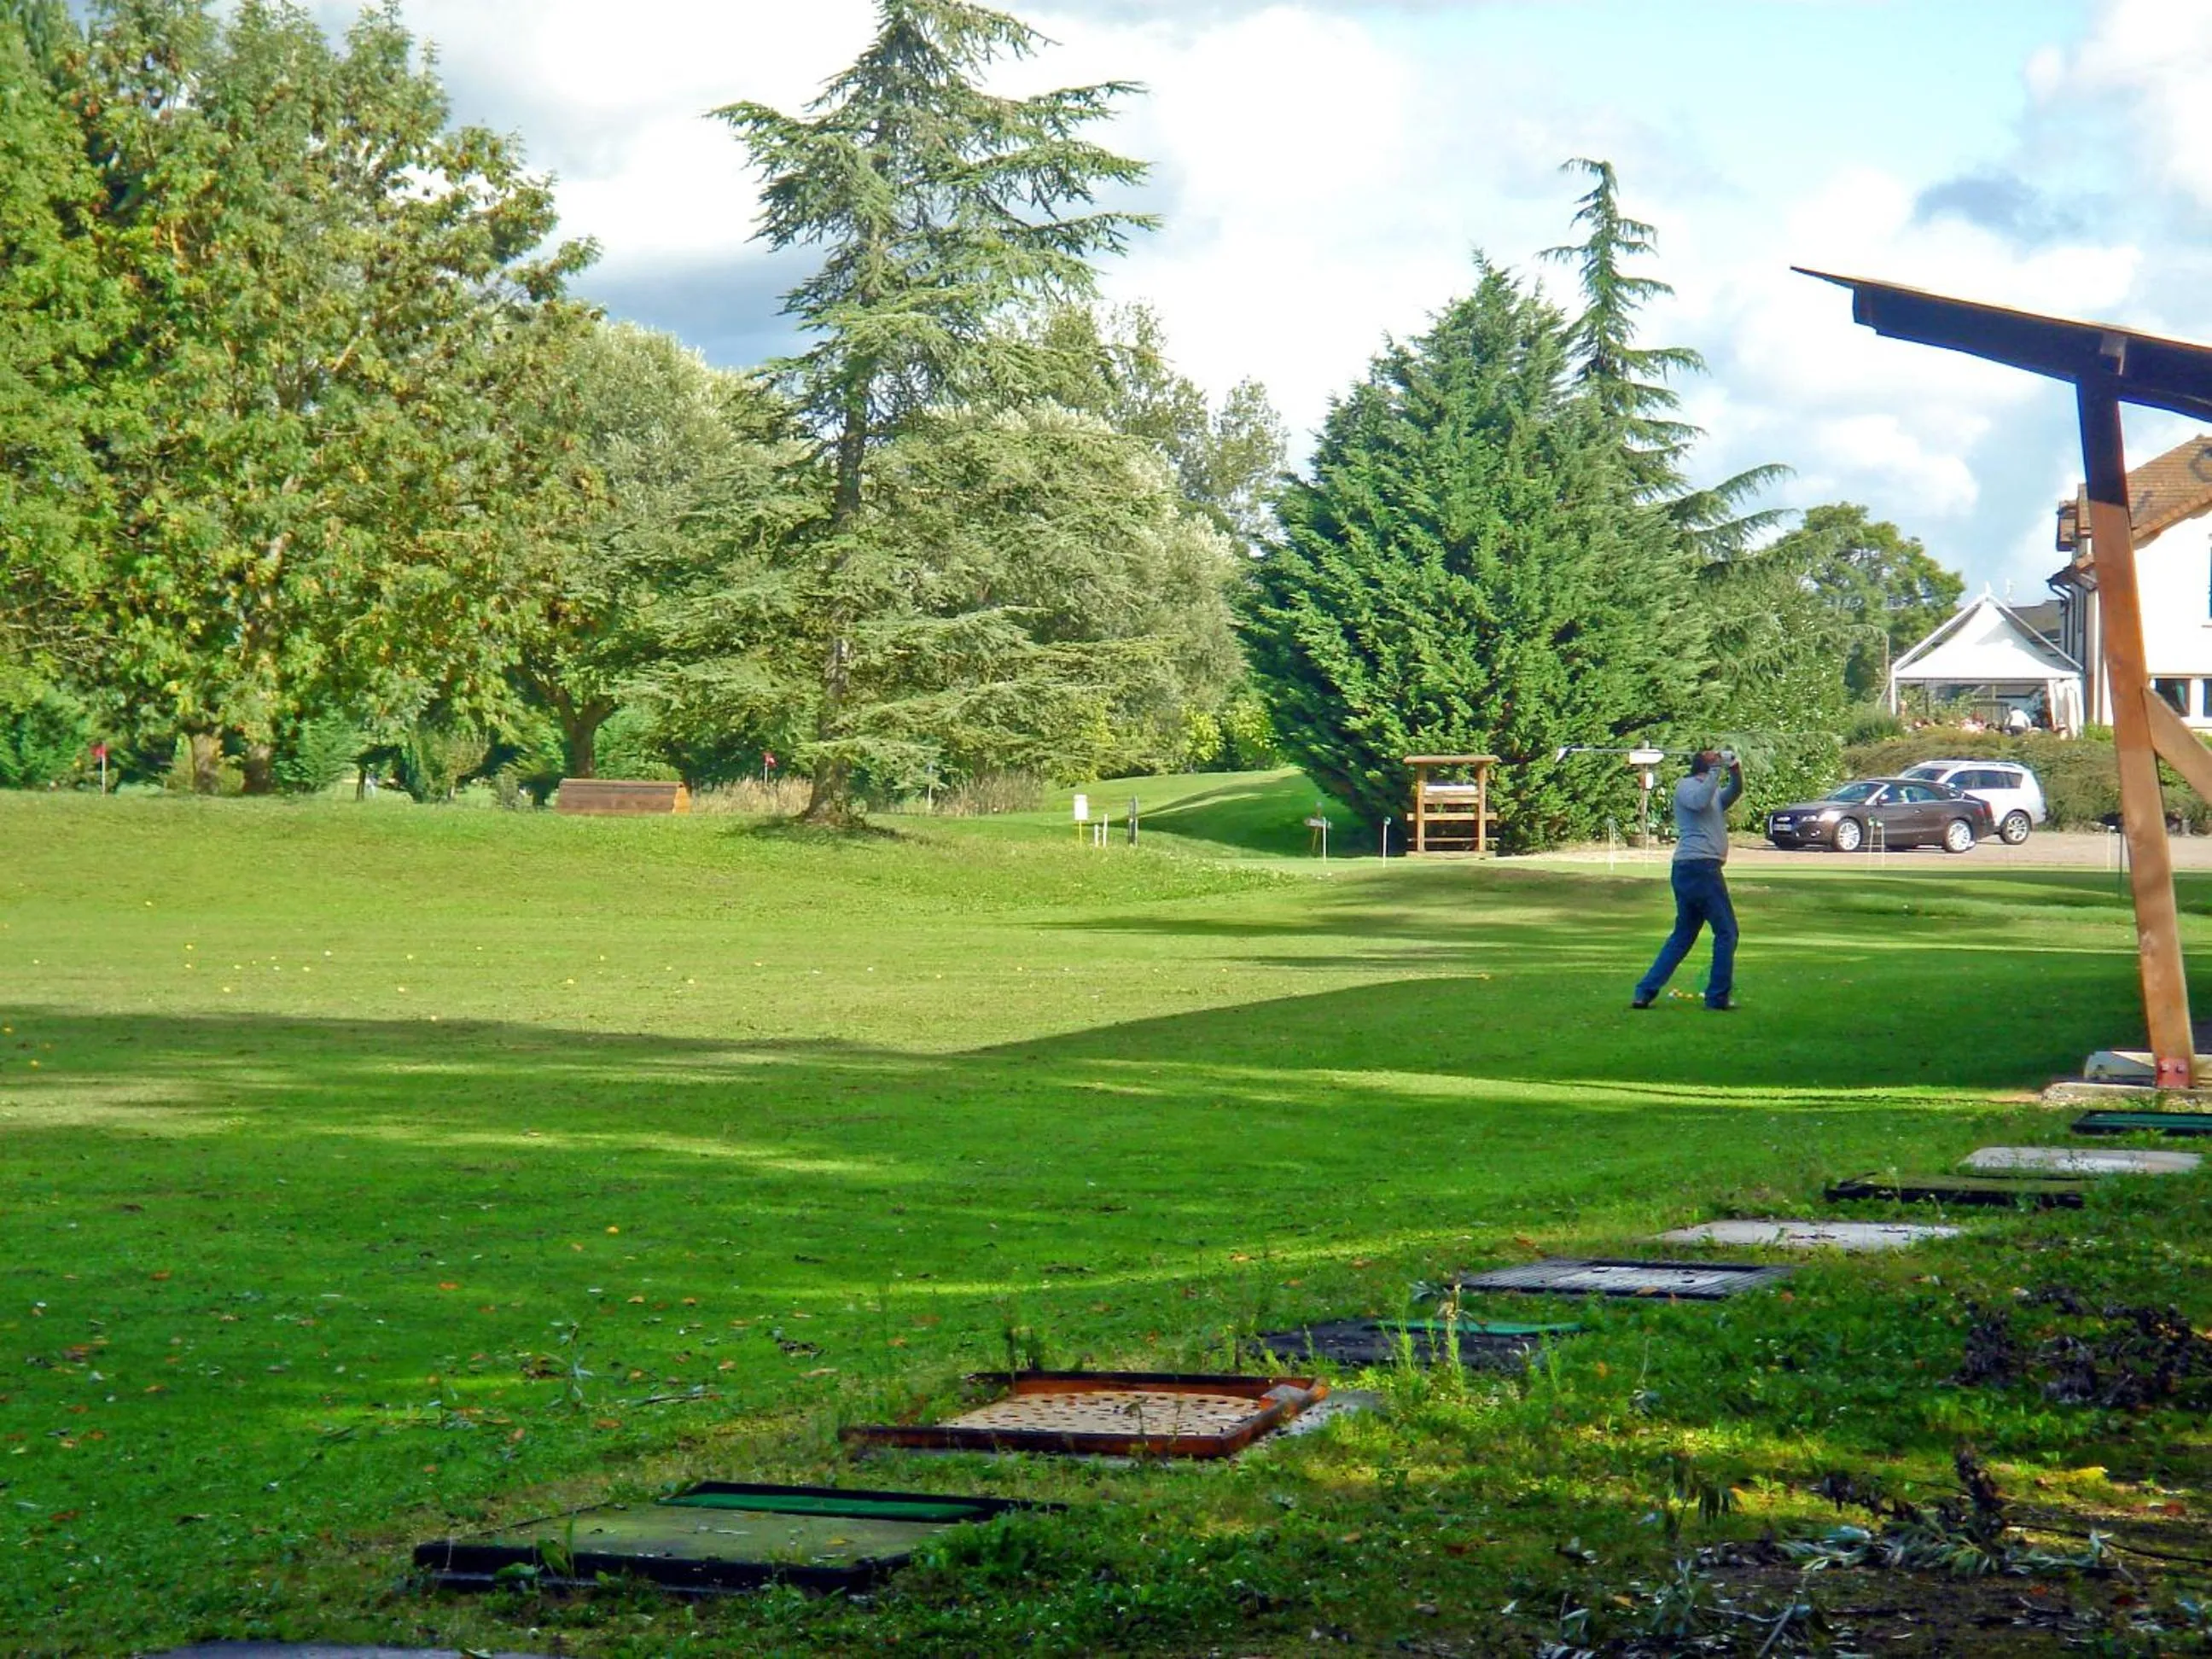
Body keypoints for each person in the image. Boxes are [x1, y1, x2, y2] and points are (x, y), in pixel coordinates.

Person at [1632, 749, 1743, 1011]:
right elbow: (1699, 803)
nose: (1715, 755)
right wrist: (1717, 770)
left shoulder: (1713, 790)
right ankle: (1717, 998)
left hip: (1695, 868)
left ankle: (1644, 992)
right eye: (1712, 756)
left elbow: (1734, 792)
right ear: (1703, 764)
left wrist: (1735, 770)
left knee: (1683, 935)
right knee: (1727, 932)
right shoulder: (1688, 786)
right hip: (1699, 867)